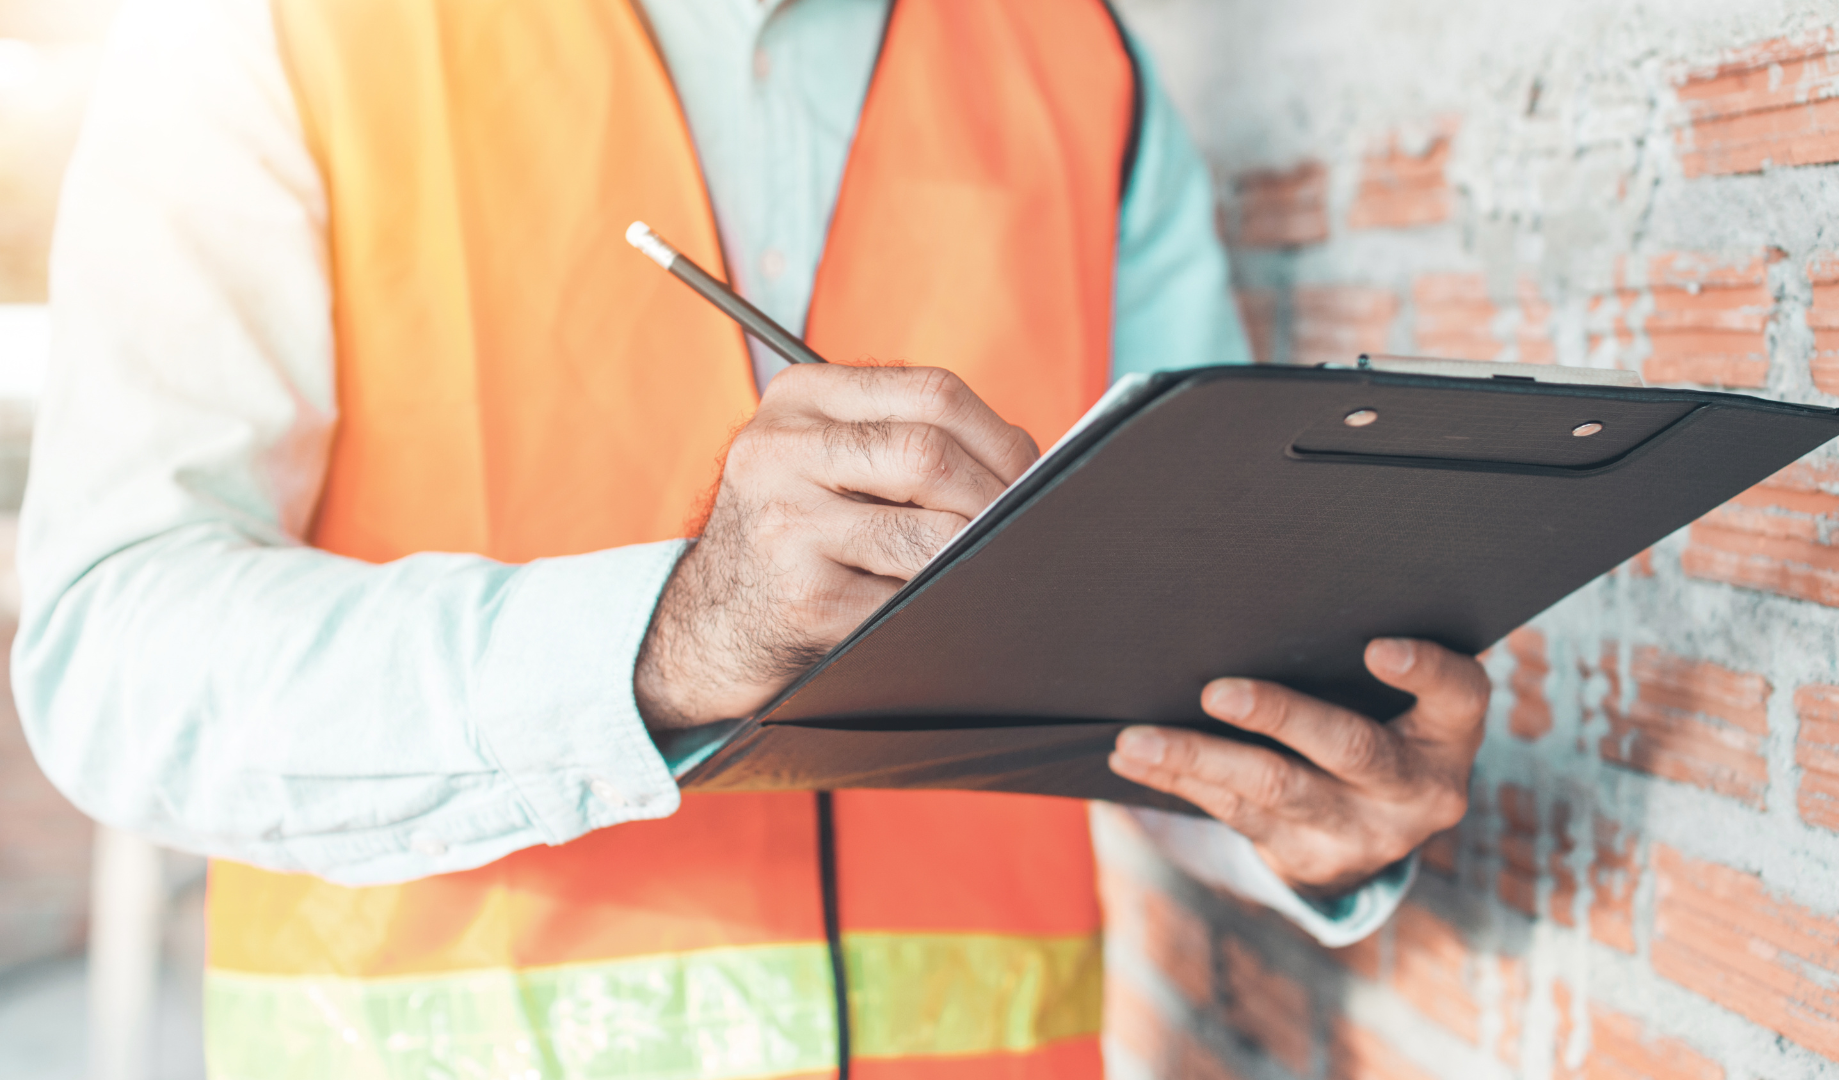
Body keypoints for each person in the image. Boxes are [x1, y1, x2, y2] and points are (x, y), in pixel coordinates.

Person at [17, 0, 1488, 1075]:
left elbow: (1174, 657)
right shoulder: (270, 33)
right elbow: (111, 659)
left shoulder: (1084, 66)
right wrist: (669, 640)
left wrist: (1310, 809)